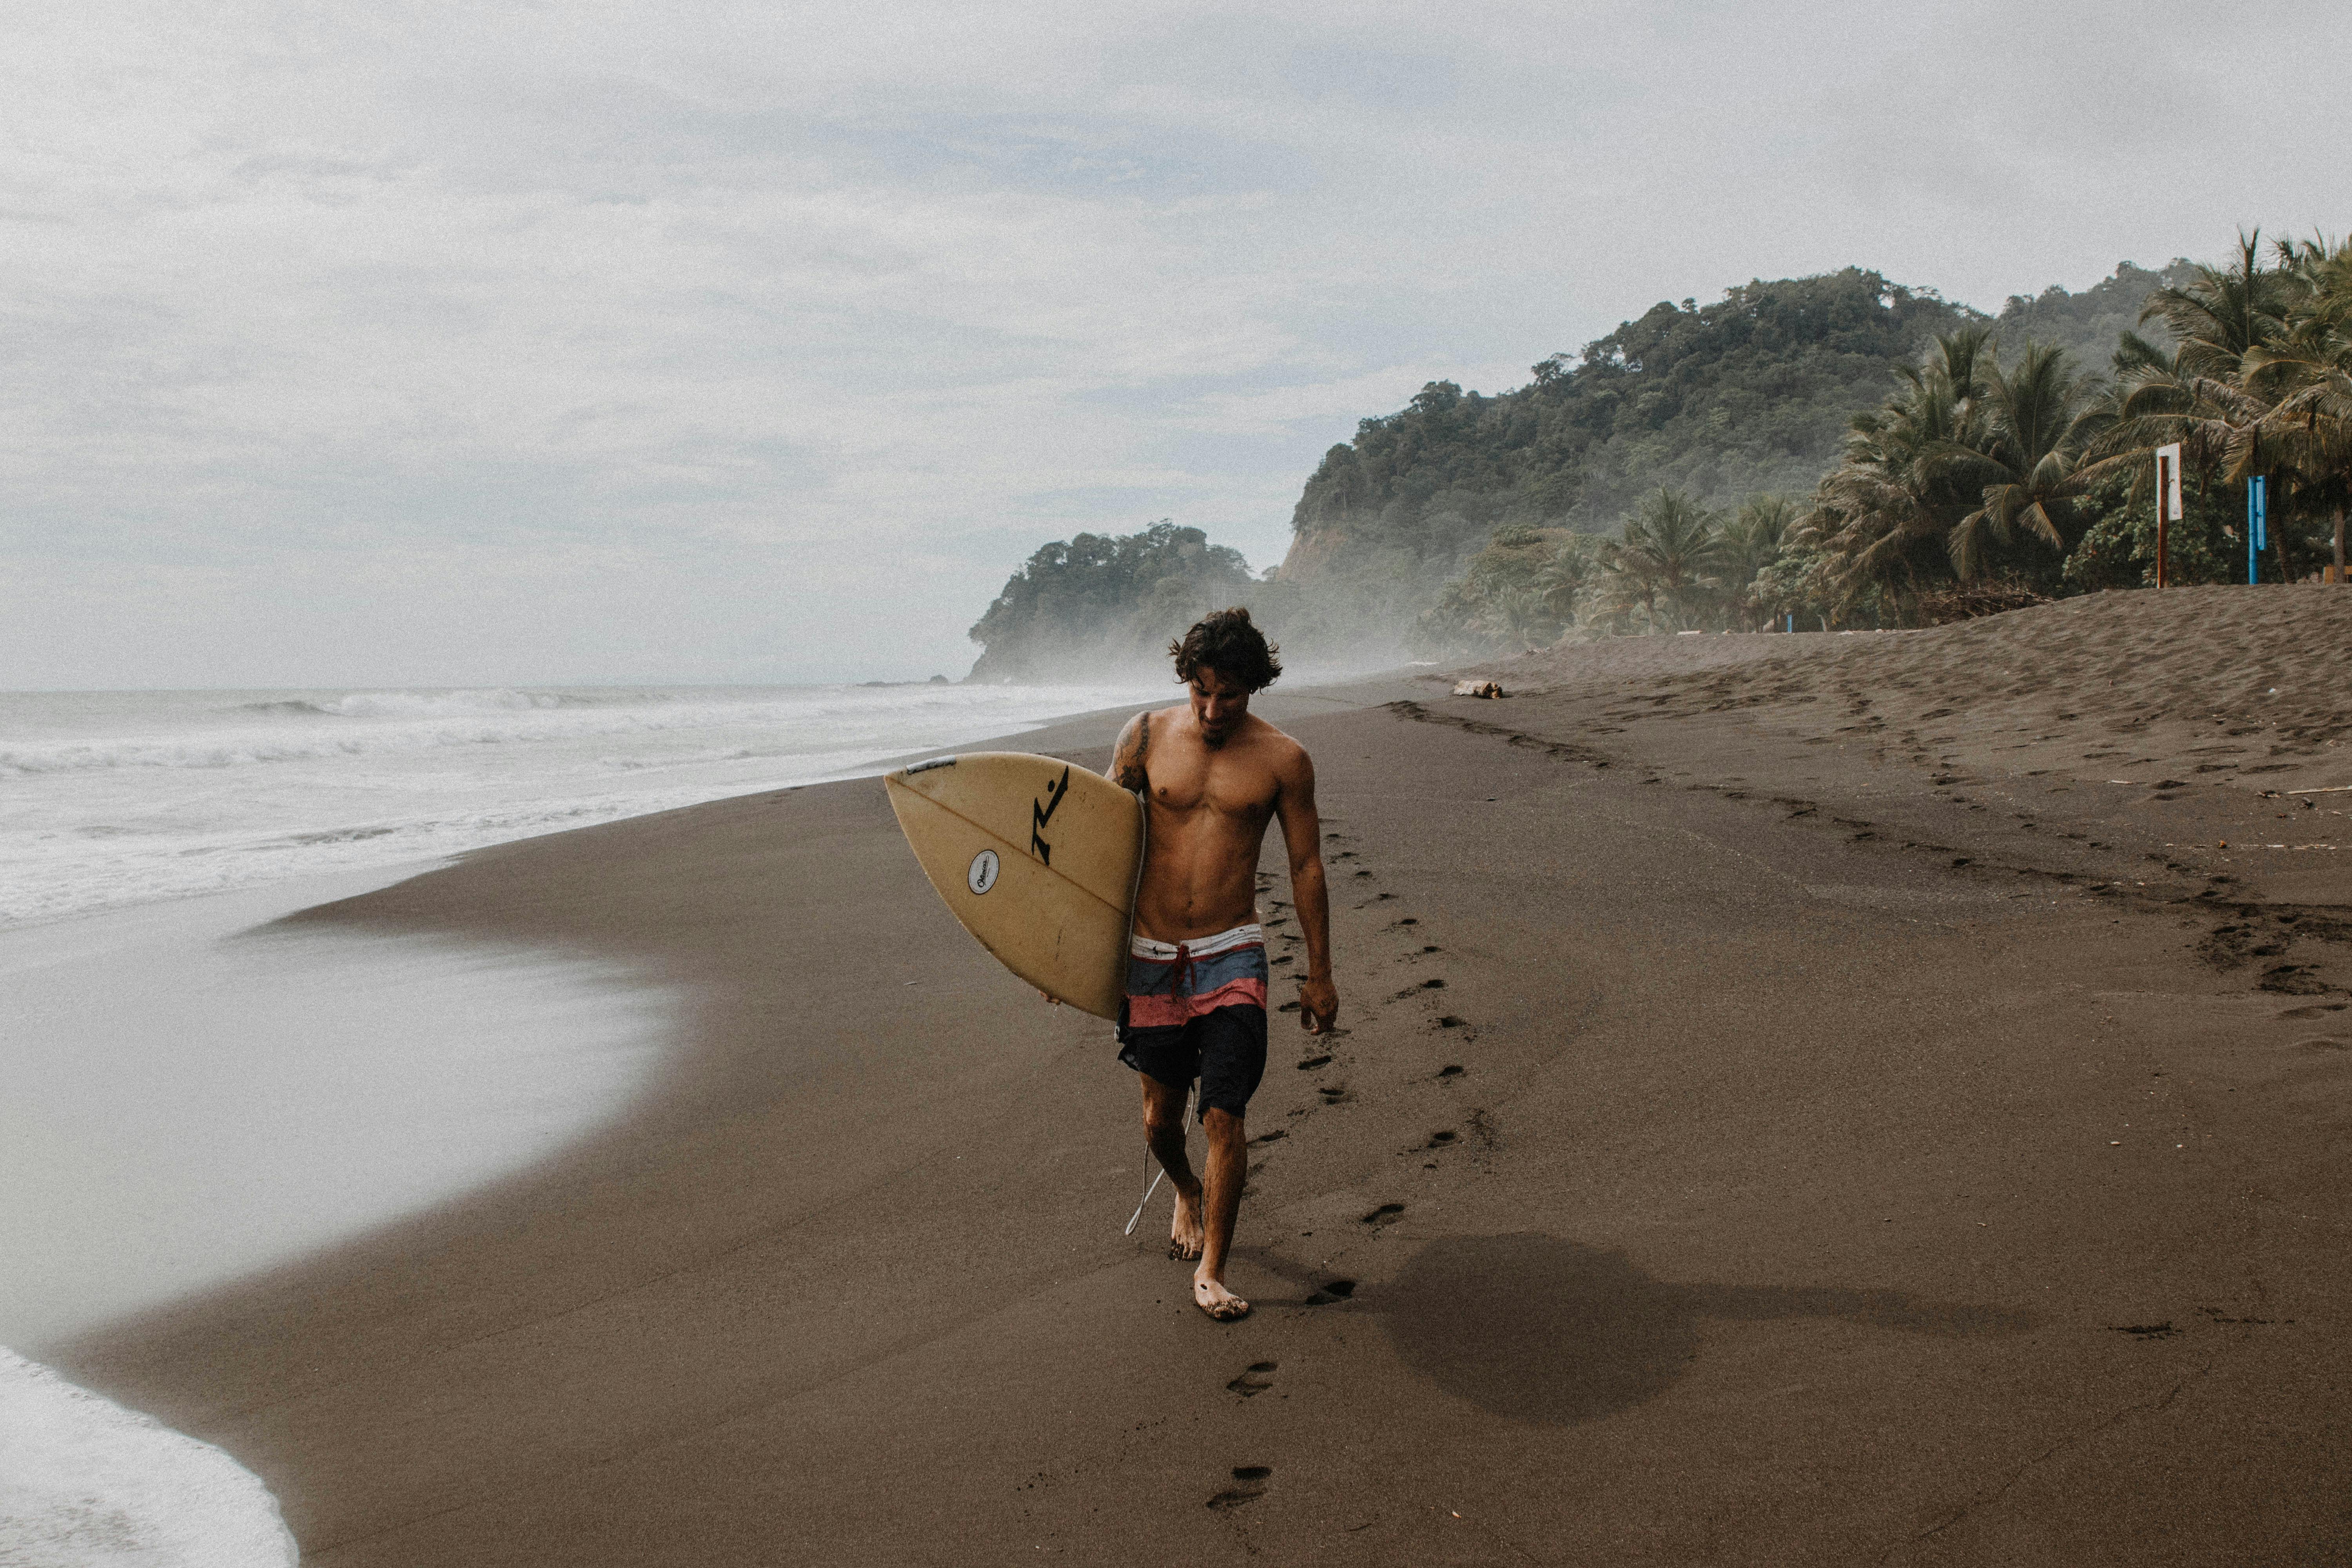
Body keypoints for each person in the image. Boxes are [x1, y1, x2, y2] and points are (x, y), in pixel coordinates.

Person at [1105, 606, 1336, 1321]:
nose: (1212, 710)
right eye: (1201, 691)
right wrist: (1065, 946)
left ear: (1255, 687)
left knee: (1225, 1117)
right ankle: (1184, 1189)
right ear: (1187, 679)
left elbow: (1305, 866)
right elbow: (1098, 840)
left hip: (1232, 952)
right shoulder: (1144, 736)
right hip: (1151, 955)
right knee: (1157, 1124)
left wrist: (1321, 973)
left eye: (1229, 695)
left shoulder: (1283, 760)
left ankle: (1212, 1270)